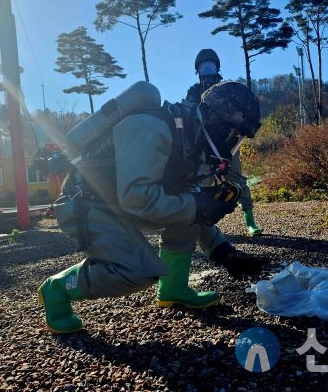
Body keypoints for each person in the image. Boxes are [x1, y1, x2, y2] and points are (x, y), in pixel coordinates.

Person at [38, 81, 262, 334]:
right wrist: (199, 205)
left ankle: (173, 289)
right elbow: (137, 197)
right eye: (233, 136)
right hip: (86, 205)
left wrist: (224, 252)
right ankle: (57, 288)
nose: (232, 146)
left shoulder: (192, 141)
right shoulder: (153, 127)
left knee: (192, 205)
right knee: (136, 271)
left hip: (116, 203)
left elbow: (190, 205)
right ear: (214, 120)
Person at [186, 49, 263, 236]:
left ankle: (250, 220)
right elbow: (188, 114)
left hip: (228, 142)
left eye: (210, 66)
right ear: (198, 70)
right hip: (202, 142)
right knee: (202, 181)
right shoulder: (193, 91)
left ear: (217, 68)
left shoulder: (227, 88)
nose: (207, 69)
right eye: (203, 67)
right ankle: (206, 224)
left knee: (235, 177)